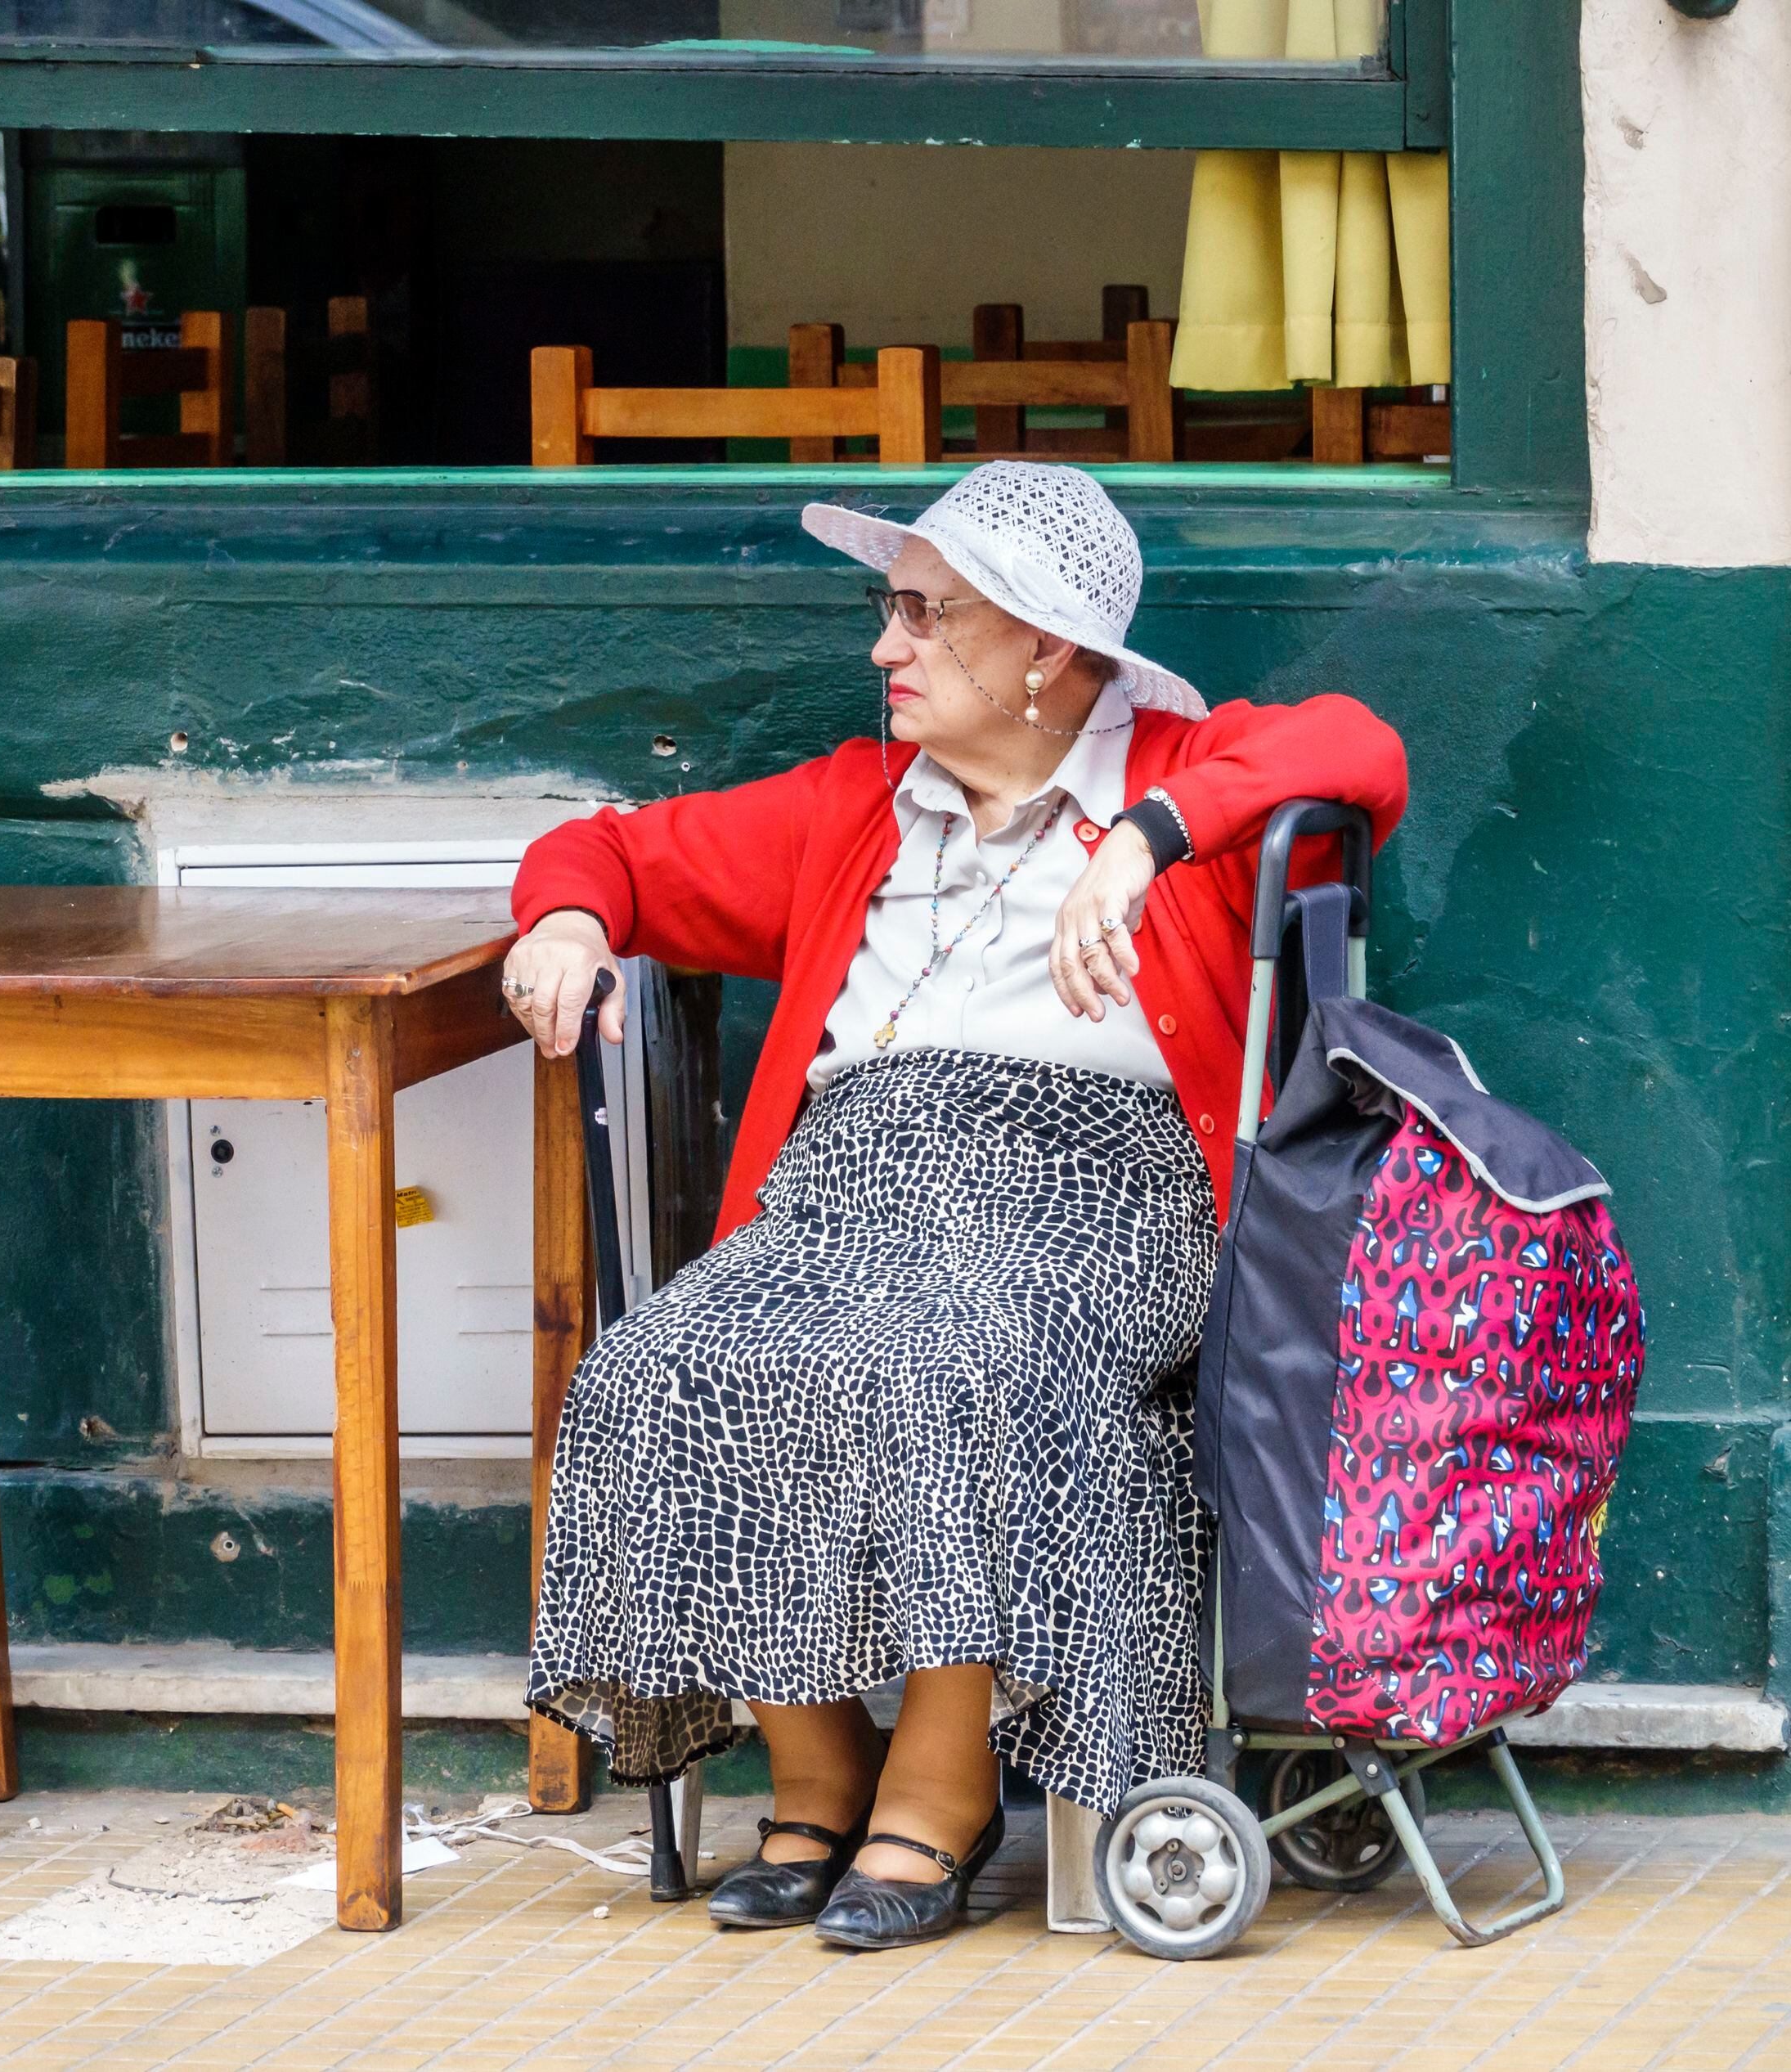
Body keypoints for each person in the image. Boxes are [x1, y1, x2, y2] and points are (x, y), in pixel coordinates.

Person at [505, 461, 1407, 1952]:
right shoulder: (858, 803)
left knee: (955, 1370)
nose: (886, 647)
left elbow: (1357, 746)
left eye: (924, 614)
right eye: (892, 607)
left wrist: (1144, 839)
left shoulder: (1177, 770)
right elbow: (618, 846)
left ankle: (941, 1788)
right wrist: (566, 916)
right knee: (670, 1362)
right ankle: (817, 1774)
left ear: (1046, 647)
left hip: (1096, 1198)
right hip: (848, 1191)